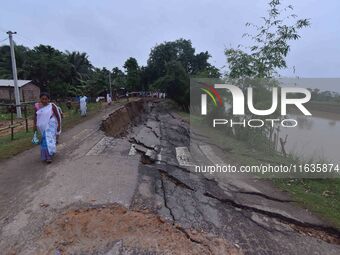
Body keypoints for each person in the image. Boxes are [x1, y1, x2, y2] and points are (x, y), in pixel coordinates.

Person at [33, 92, 61, 163]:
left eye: (46, 99)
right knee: (45, 140)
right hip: (42, 125)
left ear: (49, 99)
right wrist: (34, 125)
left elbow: (57, 116)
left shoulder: (52, 106)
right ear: (40, 99)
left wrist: (59, 125)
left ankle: (49, 155)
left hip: (51, 124)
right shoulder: (37, 106)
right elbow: (35, 116)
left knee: (50, 139)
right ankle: (48, 154)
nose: (44, 101)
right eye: (42, 99)